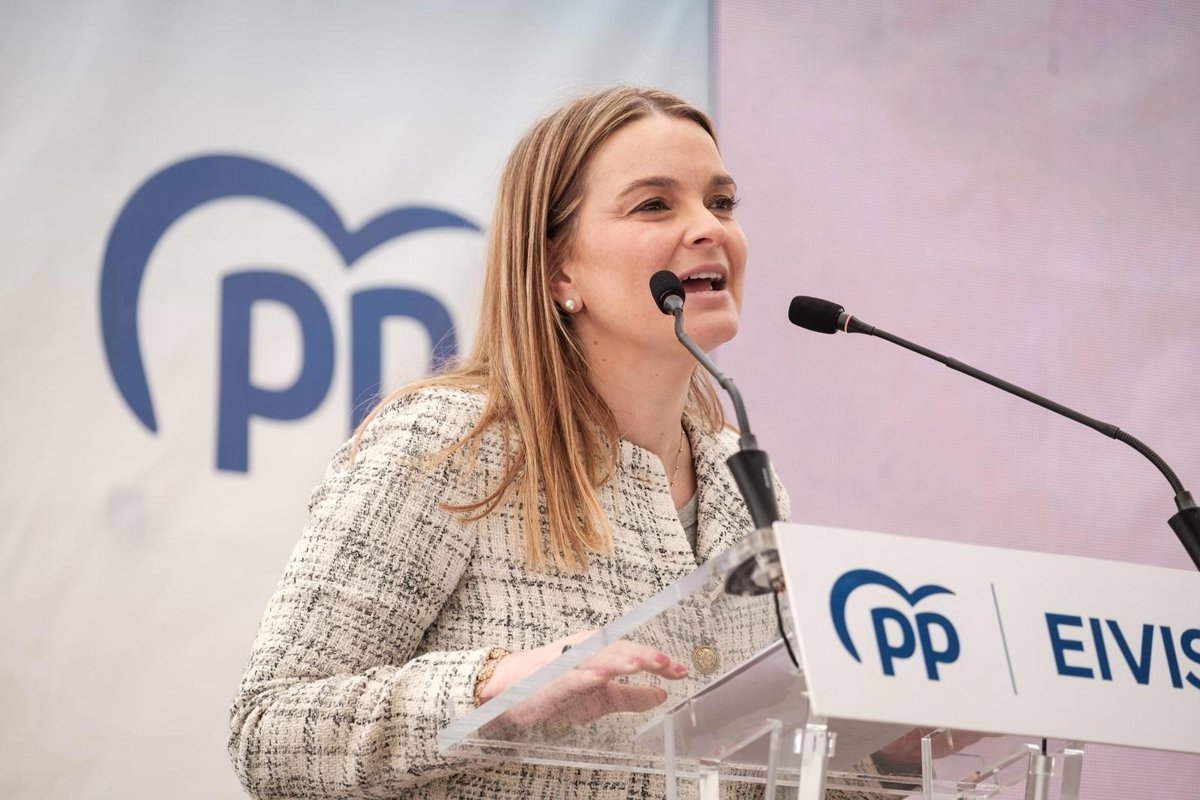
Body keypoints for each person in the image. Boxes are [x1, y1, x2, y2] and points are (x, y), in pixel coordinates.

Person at [228, 86, 869, 799]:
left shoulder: (742, 479)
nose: (707, 228)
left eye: (721, 202)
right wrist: (495, 690)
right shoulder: (449, 444)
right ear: (559, 270)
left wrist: (881, 759)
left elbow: (764, 760)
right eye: (654, 205)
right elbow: (268, 733)